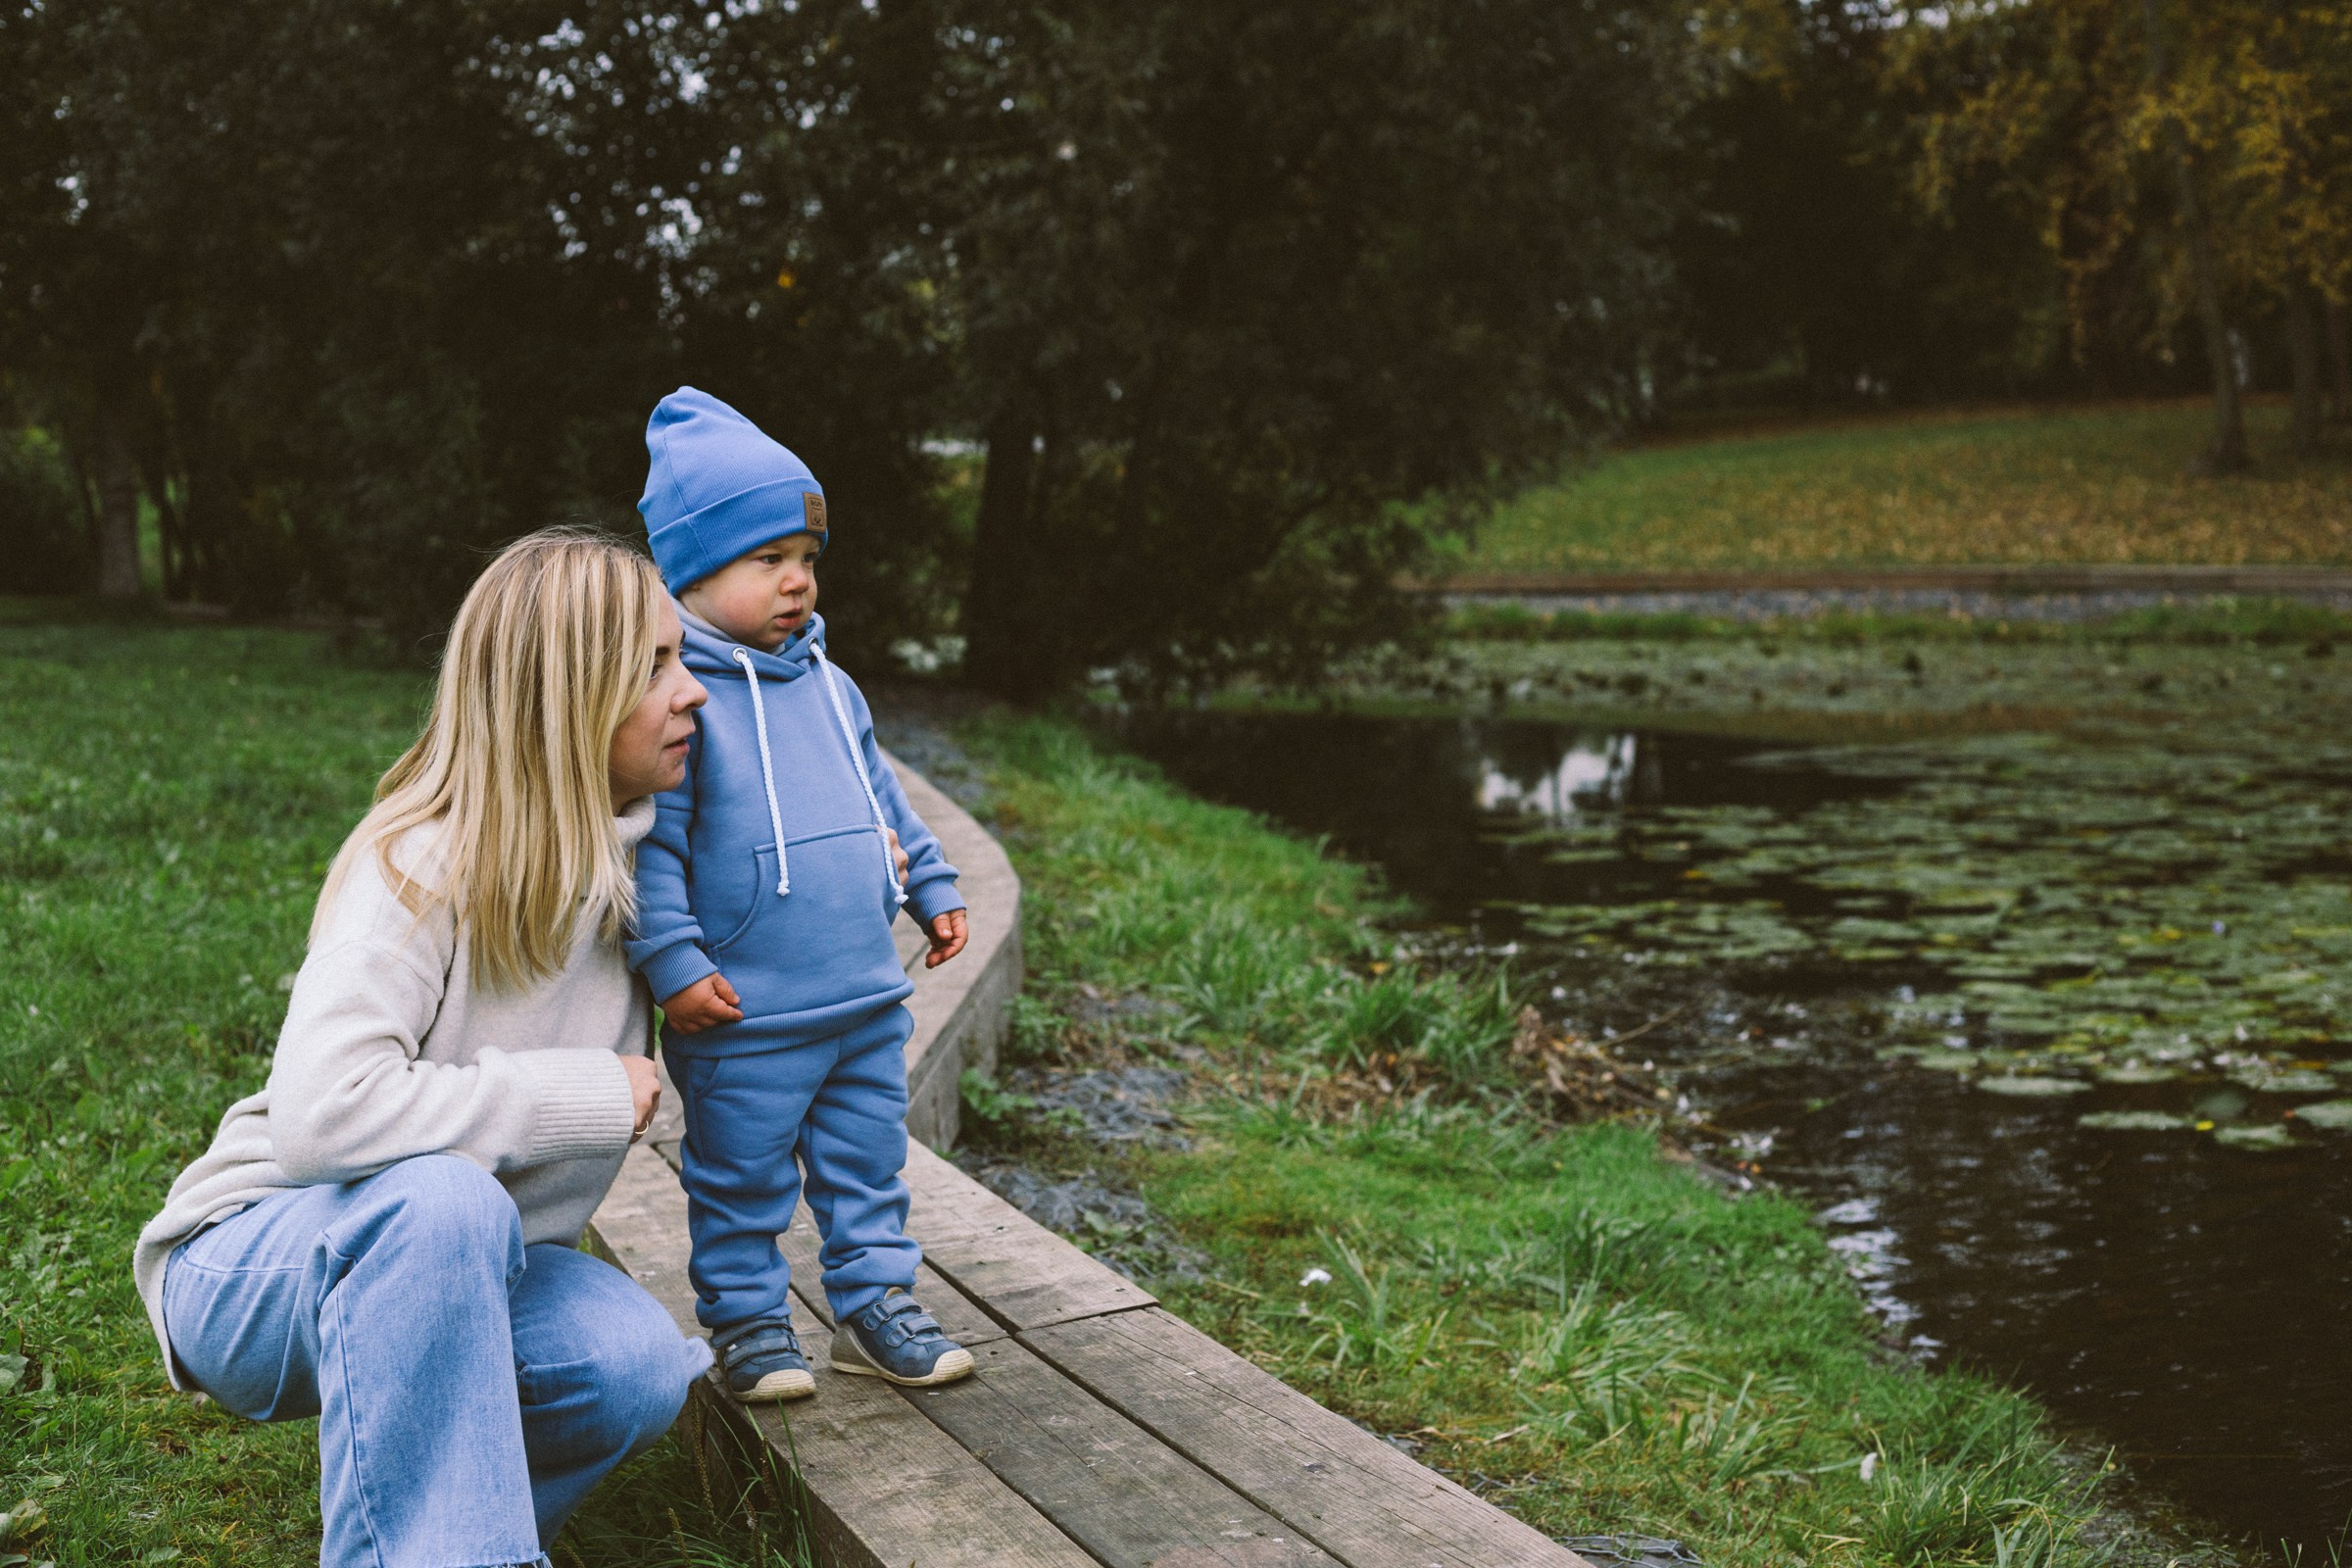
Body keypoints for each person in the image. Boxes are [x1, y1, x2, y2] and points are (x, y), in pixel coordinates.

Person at [132, 530, 717, 1568]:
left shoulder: (644, 876)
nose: (694, 692)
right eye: (657, 667)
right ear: (565, 694)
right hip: (252, 1258)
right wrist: (574, 1092)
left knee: (633, 1362)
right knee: (447, 1199)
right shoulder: (419, 863)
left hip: (466, 1274)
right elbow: (323, 1116)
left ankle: (425, 1523)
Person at [626, 386, 974, 1403]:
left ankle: (874, 1309)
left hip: (863, 994)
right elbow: (652, 849)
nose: (796, 582)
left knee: (869, 1170)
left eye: (807, 559)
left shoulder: (831, 683)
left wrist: (934, 881)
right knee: (739, 1182)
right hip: (745, 1009)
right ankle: (747, 1324)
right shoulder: (681, 699)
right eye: (766, 560)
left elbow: (882, 799)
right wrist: (677, 965)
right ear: (691, 570)